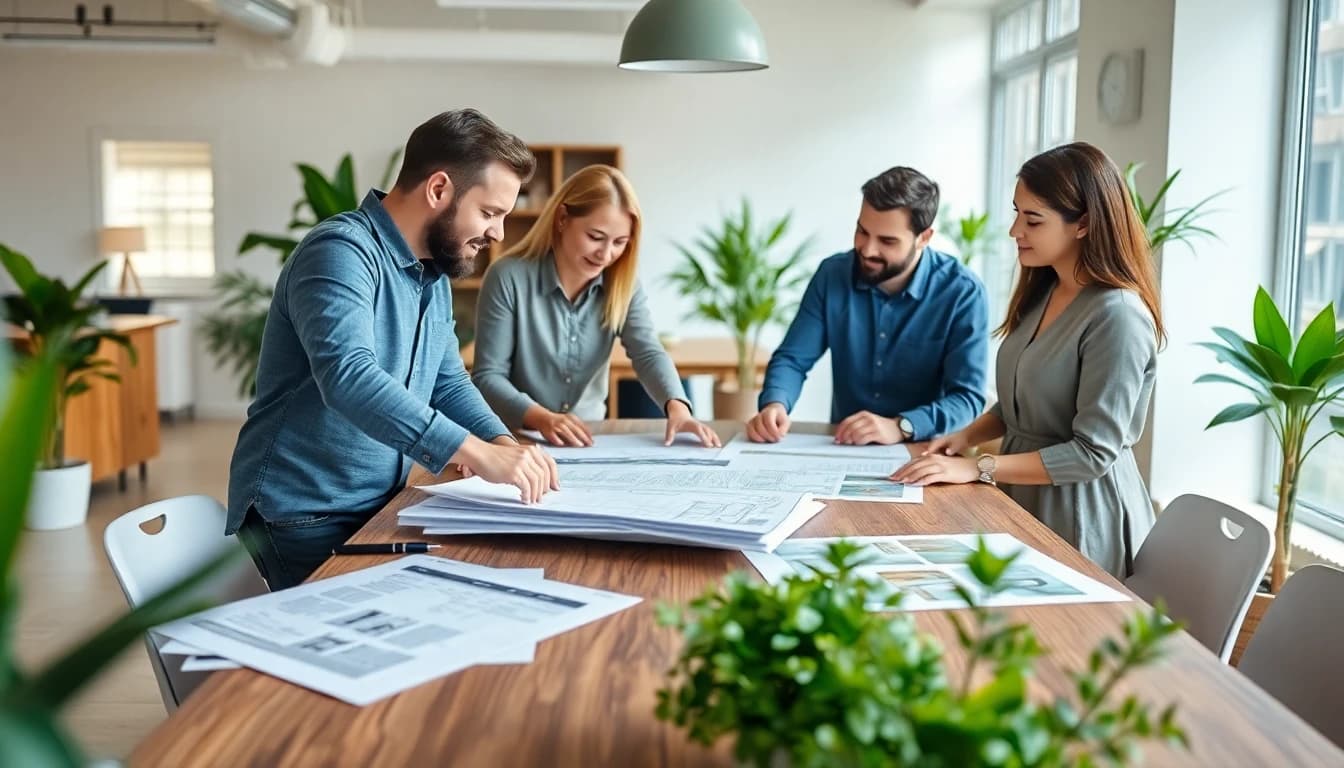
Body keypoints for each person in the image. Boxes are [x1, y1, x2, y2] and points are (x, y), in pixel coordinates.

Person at [228, 109, 559, 591]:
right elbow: (349, 377)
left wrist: (501, 443)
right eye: (490, 213)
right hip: (305, 513)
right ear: (439, 189)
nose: (498, 234)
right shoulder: (341, 251)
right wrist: (474, 453)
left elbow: (447, 379)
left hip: (374, 503)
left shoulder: (432, 272)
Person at [892, 141, 1162, 578]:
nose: (1015, 231)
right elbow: (1022, 405)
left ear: (1084, 225)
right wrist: (964, 437)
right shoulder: (1046, 291)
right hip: (1020, 496)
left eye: (1032, 219)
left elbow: (1091, 454)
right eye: (1017, 213)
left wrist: (976, 468)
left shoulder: (1118, 317)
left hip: (1079, 515)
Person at [472, 164, 720, 449]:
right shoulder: (508, 277)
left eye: (619, 243)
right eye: (596, 237)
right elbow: (488, 377)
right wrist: (543, 418)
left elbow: (648, 352)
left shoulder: (623, 285)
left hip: (589, 439)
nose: (605, 254)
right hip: (515, 439)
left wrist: (678, 408)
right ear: (562, 218)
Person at [744, 166, 989, 445]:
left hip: (925, 451)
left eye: (887, 241)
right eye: (862, 231)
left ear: (924, 237)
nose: (868, 249)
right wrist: (775, 404)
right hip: (843, 447)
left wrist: (902, 426)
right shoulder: (832, 275)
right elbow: (792, 359)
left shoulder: (962, 292)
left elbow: (967, 398)